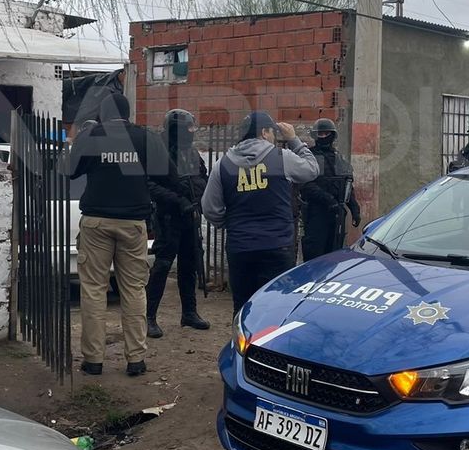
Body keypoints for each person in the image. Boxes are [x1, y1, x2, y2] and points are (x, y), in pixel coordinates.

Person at [67, 93, 170, 377]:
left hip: (96, 222)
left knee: (93, 291)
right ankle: (136, 360)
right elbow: (167, 175)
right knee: (134, 290)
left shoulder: (92, 136)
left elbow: (70, 171)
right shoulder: (145, 137)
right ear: (127, 113)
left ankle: (93, 361)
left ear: (102, 114)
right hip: (133, 223)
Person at [201, 111, 319, 313]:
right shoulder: (282, 157)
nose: (273, 137)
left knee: (243, 308)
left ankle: (242, 344)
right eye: (272, 133)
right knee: (276, 310)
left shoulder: (223, 164)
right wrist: (293, 140)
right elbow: (312, 170)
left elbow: (210, 209)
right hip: (277, 247)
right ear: (264, 133)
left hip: (240, 248)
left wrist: (233, 223)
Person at [145, 109, 210, 339]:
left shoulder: (191, 153)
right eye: (188, 129)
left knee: (189, 264)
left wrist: (196, 199)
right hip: (168, 217)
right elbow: (150, 186)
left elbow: (203, 178)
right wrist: (178, 200)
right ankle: (149, 316)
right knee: (162, 265)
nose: (192, 133)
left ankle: (189, 313)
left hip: (190, 217)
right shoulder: (158, 152)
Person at [299, 118, 362, 262]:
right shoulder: (310, 156)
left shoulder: (338, 157)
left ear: (332, 135)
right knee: (314, 257)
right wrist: (329, 200)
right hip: (316, 214)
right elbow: (307, 186)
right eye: (319, 134)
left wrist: (354, 209)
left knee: (334, 256)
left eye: (325, 133)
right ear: (315, 136)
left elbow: (347, 183)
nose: (322, 137)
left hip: (337, 215)